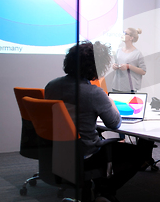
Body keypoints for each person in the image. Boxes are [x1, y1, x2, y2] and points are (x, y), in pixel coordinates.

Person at [45, 41, 152, 202]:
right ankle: (105, 190)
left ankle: (97, 184)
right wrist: (110, 102)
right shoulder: (93, 92)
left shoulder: (51, 86)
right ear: (96, 67)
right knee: (140, 154)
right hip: (86, 153)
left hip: (57, 150)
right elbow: (114, 124)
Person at [111, 28, 146, 92]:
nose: (123, 35)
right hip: (116, 86)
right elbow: (116, 62)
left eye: (125, 33)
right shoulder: (118, 50)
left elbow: (143, 71)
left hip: (129, 88)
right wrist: (114, 66)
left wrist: (129, 66)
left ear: (131, 38)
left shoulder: (137, 53)